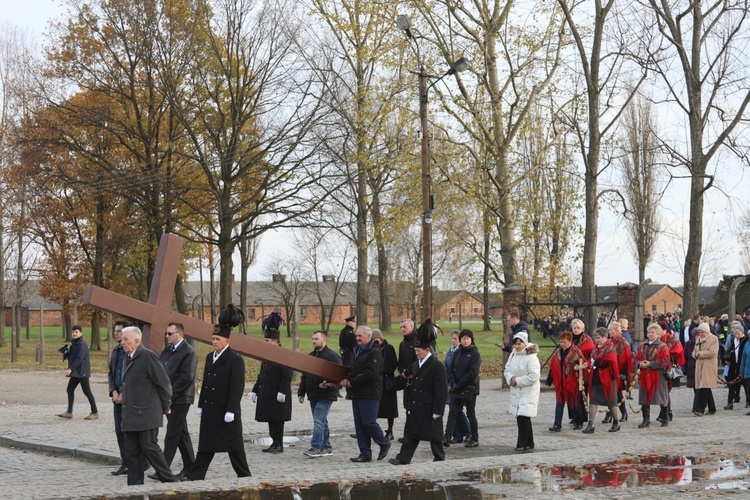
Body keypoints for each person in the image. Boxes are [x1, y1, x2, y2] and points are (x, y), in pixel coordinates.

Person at [187, 322, 251, 480]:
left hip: (225, 410)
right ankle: (196, 475)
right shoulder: (210, 357)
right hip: (210, 409)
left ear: (227, 341)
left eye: (218, 339)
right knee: (206, 445)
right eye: (213, 338)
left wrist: (231, 410)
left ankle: (244, 474)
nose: (214, 341)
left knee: (234, 446)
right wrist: (201, 404)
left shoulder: (235, 360)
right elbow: (206, 383)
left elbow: (236, 388)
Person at [119, 326, 176, 485]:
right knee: (131, 452)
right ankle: (135, 486)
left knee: (149, 447)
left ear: (137, 341)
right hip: (130, 414)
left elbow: (164, 384)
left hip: (147, 413)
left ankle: (168, 479)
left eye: (125, 339)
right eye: (122, 339)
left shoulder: (147, 356)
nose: (122, 342)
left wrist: (166, 406)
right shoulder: (127, 357)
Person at [389, 320, 447, 465]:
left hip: (429, 406)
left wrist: (437, 411)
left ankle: (439, 457)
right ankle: (403, 457)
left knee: (435, 435)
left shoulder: (437, 366)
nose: (416, 353)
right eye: (415, 351)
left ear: (427, 350)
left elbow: (440, 391)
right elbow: (404, 376)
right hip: (416, 405)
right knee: (411, 434)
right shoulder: (416, 364)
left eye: (418, 351)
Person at [147, 322, 197, 481]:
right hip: (168, 398)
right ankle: (190, 466)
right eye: (166, 333)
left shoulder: (188, 352)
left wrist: (168, 395)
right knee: (181, 433)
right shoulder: (167, 352)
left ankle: (163, 468)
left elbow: (186, 378)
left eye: (170, 333)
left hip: (181, 398)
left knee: (173, 433)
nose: (167, 336)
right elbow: (161, 373)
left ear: (180, 334)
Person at [339, 325, 391, 463]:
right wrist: (346, 380)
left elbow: (371, 374)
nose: (357, 338)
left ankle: (384, 443)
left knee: (369, 422)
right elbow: (353, 370)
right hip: (357, 393)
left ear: (368, 337)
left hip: (370, 393)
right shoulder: (356, 351)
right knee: (360, 425)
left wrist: (352, 383)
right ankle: (365, 453)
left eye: (360, 336)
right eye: (356, 336)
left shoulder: (374, 352)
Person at [298, 330, 341, 457]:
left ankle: (315, 446)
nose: (313, 341)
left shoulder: (332, 356)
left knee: (318, 421)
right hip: (313, 394)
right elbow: (305, 376)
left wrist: (328, 385)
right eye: (312, 339)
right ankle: (326, 446)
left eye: (316, 339)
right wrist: (301, 392)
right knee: (322, 421)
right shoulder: (311, 356)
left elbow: (338, 376)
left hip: (326, 395)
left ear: (324, 340)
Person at [251, 325, 293, 453]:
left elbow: (287, 375)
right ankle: (274, 442)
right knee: (271, 418)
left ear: (275, 342)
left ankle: (279, 444)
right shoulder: (268, 355)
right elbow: (262, 374)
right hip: (268, 393)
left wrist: (282, 391)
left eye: (267, 341)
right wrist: (255, 390)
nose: (266, 343)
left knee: (277, 419)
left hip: (277, 393)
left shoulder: (283, 354)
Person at [443, 329, 481, 448]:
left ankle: (474, 438)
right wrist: (453, 383)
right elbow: (451, 369)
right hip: (456, 387)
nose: (465, 341)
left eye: (467, 338)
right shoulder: (457, 352)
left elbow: (472, 372)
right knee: (453, 412)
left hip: (470, 388)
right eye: (463, 338)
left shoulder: (475, 353)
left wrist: (460, 384)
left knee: (470, 413)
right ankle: (447, 437)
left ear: (471, 340)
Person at [504, 331, 540, 452]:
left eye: (520, 343)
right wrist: (510, 378)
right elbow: (507, 369)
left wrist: (518, 381)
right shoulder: (513, 355)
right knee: (522, 415)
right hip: (516, 390)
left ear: (525, 343)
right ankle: (530, 442)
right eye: (516, 344)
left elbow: (534, 376)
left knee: (523, 415)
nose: (517, 346)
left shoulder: (531, 357)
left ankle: (522, 443)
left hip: (528, 390)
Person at [545, 331, 585, 431]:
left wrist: (578, 369)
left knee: (575, 403)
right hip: (560, 383)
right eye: (561, 341)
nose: (562, 344)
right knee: (559, 404)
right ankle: (557, 425)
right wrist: (548, 381)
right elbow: (552, 368)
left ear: (570, 341)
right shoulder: (557, 352)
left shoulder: (576, 352)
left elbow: (583, 364)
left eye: (564, 341)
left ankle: (579, 422)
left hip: (571, 382)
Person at [583, 328, 620, 433]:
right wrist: (589, 363)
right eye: (595, 338)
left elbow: (611, 361)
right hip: (596, 378)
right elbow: (591, 359)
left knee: (611, 402)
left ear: (605, 337)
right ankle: (591, 424)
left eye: (598, 338)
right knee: (593, 401)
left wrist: (596, 362)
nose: (596, 340)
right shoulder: (595, 348)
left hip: (608, 378)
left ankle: (616, 422)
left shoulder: (610, 347)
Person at [57, 325, 98, 421]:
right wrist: (66, 354)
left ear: (80, 333)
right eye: (73, 332)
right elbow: (73, 357)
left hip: (82, 372)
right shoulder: (74, 344)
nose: (74, 334)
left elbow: (79, 359)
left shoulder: (82, 345)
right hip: (76, 372)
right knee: (70, 389)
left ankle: (95, 412)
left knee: (87, 392)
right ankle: (69, 412)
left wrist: (70, 369)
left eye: (76, 332)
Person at [636, 323, 671, 428]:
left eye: (652, 333)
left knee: (660, 397)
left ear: (658, 334)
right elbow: (636, 358)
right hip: (644, 375)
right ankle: (646, 419)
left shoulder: (663, 346)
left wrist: (651, 364)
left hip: (658, 375)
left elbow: (665, 360)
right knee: (644, 397)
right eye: (649, 332)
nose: (650, 334)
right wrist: (640, 363)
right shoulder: (642, 345)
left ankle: (665, 417)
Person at [108, 320, 128, 475]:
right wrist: (113, 391)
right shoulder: (115, 350)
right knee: (119, 429)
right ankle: (125, 462)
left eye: (119, 331)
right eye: (115, 331)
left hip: (129, 396)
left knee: (129, 429)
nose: (116, 333)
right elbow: (111, 373)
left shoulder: (131, 351)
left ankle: (140, 460)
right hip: (117, 395)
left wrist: (123, 393)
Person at [602, 322, 633, 424]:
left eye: (611, 330)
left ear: (617, 331)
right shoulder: (609, 342)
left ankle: (622, 413)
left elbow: (627, 358)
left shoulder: (623, 343)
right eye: (609, 330)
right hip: (609, 370)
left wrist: (622, 373)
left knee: (617, 393)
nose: (609, 332)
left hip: (619, 371)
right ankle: (610, 413)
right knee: (609, 392)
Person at [372, 329, 399, 441]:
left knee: (389, 408)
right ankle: (371, 429)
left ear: (381, 339)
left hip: (386, 381)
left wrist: (379, 369)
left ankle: (390, 430)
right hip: (375, 382)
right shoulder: (371, 349)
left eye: (376, 339)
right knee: (373, 406)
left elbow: (392, 365)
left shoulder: (388, 348)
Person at [445, 331, 471, 442]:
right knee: (453, 410)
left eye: (455, 339)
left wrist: (456, 384)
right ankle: (457, 434)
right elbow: (447, 368)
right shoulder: (450, 352)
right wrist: (448, 383)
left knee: (456, 410)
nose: (453, 341)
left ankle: (467, 431)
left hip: (459, 386)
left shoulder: (461, 352)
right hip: (450, 384)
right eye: (452, 339)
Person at [692, 322, 718, 416]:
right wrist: (695, 354)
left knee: (704, 387)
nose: (701, 334)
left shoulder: (713, 339)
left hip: (708, 366)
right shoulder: (699, 339)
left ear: (707, 331)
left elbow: (713, 353)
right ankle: (712, 409)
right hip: (699, 366)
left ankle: (700, 409)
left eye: (702, 332)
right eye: (699, 332)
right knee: (705, 387)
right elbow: (694, 351)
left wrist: (700, 354)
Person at [723, 323, 746, 409]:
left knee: (745, 385)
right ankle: (730, 403)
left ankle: (748, 401)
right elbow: (729, 351)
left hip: (742, 365)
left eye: (738, 333)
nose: (736, 335)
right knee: (731, 384)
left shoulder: (745, 340)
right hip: (733, 365)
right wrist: (726, 359)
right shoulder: (733, 340)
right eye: (735, 333)